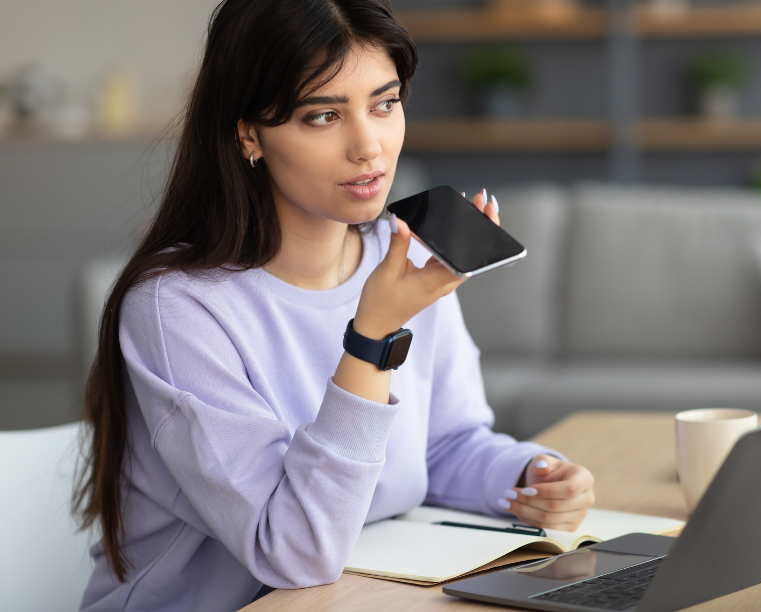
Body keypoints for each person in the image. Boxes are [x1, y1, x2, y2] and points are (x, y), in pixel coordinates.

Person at [74, 1, 595, 610]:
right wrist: (372, 335)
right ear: (249, 134)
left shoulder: (399, 257)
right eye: (323, 115)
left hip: (363, 592)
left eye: (385, 103)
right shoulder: (178, 308)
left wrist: (528, 475)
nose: (368, 146)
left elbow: (442, 445)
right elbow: (292, 551)